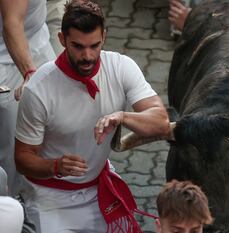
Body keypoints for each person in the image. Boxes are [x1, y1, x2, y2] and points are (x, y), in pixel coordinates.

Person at [14, 0, 170, 232]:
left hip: (98, 190)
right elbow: (22, 158)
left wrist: (123, 117)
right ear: (62, 40)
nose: (88, 55)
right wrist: (55, 166)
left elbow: (161, 122)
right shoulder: (39, 89)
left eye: (94, 46)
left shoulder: (121, 66)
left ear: (104, 37)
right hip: (49, 198)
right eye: (77, 46)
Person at [0, 0, 56, 197]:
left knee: (50, 137)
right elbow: (12, 23)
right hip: (7, 65)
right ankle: (13, 211)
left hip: (39, 44)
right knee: (14, 155)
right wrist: (30, 74)